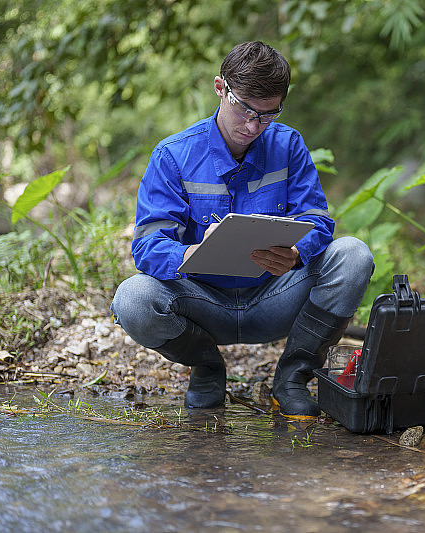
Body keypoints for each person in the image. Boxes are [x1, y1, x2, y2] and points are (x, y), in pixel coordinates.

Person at [110, 41, 374, 417]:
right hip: (203, 305)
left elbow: (318, 222)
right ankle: (206, 368)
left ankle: (292, 379)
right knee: (132, 299)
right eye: (246, 109)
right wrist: (191, 254)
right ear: (221, 88)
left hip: (275, 297)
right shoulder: (173, 155)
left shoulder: (288, 145)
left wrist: (297, 253)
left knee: (354, 254)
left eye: (267, 115)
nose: (253, 126)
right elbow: (148, 245)